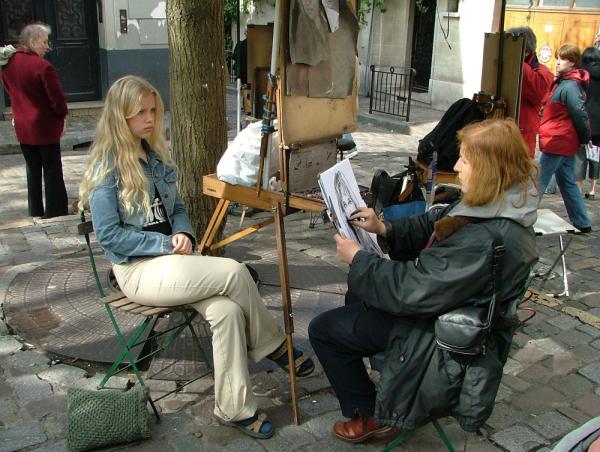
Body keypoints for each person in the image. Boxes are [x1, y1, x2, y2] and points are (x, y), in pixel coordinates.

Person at [78, 75, 314, 439]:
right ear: (119, 116)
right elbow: (110, 237)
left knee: (228, 311)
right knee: (235, 272)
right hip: (138, 270)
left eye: (153, 110)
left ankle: (233, 408)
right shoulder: (106, 168)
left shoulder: (154, 158)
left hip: (175, 264)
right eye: (139, 112)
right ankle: (276, 346)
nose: (150, 118)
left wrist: (184, 233)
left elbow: (179, 210)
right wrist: (164, 244)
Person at [308, 119, 538, 444]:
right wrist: (385, 228)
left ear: (488, 169)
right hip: (441, 308)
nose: (456, 166)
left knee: (324, 330)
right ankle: (389, 383)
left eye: (465, 160)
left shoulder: (484, 238)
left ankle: (371, 414)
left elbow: (410, 290)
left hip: (436, 335)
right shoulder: (498, 201)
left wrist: (359, 259)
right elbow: (437, 223)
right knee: (357, 296)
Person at [0, 22, 69, 218]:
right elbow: (56, 99)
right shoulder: (42, 66)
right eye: (44, 42)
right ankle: (55, 210)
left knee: (32, 169)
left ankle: (35, 209)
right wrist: (62, 116)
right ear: (33, 41)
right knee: (52, 169)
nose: (47, 47)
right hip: (44, 126)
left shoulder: (8, 65)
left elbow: (11, 92)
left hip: (23, 125)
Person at [538, 44, 592, 233]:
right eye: (558, 57)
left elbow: (579, 113)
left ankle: (522, 217)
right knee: (567, 181)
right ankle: (582, 221)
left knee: (538, 180)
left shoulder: (569, 85)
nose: (558, 61)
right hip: (560, 137)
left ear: (573, 62)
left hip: (558, 139)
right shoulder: (564, 82)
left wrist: (585, 136)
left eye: (564, 58)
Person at [508, 27, 554, 157]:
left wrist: (517, 61)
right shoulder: (511, 65)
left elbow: (538, 95)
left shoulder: (541, 73)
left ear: (526, 52)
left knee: (518, 174)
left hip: (522, 133)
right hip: (503, 129)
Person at [575, 47, 600, 200]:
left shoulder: (581, 74)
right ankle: (592, 189)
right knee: (596, 154)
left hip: (584, 119)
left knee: (580, 155)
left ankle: (578, 187)